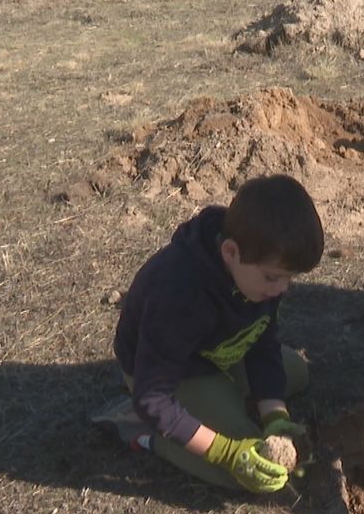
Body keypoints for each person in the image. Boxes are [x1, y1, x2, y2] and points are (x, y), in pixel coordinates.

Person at [112, 174, 324, 492]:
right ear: (230, 252)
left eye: (289, 279)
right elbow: (152, 396)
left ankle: (217, 404)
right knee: (242, 475)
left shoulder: (257, 271)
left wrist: (275, 419)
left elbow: (262, 343)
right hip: (172, 376)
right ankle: (140, 430)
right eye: (273, 278)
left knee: (296, 374)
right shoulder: (180, 294)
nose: (282, 288)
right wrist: (227, 453)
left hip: (217, 352)